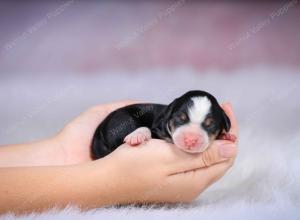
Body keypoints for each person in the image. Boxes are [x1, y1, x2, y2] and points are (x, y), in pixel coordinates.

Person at [0, 100, 238, 215]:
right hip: (112, 139)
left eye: (209, 127)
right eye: (182, 122)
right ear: (170, 117)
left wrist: (61, 150)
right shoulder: (152, 123)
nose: (192, 138)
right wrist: (106, 181)